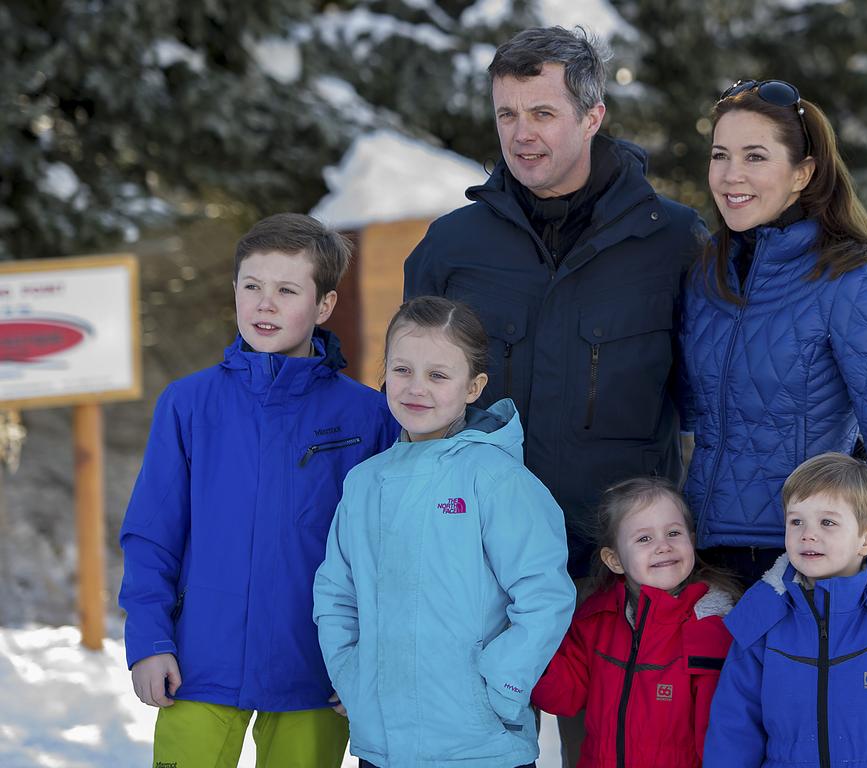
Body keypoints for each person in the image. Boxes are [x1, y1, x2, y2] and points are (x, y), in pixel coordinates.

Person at [404, 26, 705, 583]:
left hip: (618, 565)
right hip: (480, 558)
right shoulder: (451, 247)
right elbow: (409, 401)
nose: (521, 134)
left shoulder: (672, 241)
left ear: (592, 117)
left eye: (542, 113)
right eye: (506, 115)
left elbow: (712, 408)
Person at [679, 78, 867, 675]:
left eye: (755, 157)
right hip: (703, 565)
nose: (730, 176)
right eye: (720, 156)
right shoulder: (706, 273)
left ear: (803, 173)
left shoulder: (848, 279)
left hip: (803, 563)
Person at [118, 213, 399, 767]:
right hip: (198, 663)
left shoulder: (367, 416)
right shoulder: (188, 404)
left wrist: (365, 657)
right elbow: (152, 535)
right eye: (252, 286)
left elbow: (386, 552)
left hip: (314, 671)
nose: (264, 304)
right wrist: (150, 641)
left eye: (286, 290)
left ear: (323, 307)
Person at [312, 296, 576, 768]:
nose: (417, 388)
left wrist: (501, 686)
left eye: (438, 375)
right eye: (402, 370)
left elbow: (545, 595)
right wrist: (353, 677)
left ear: (473, 387)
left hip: (480, 745)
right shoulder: (365, 482)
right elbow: (336, 593)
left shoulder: (496, 479)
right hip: (384, 746)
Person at [705, 453, 867, 768]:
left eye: (827, 522)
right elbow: (734, 726)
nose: (808, 533)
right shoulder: (763, 616)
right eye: (796, 521)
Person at [531, 477, 736, 767]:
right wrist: (533, 630)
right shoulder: (596, 620)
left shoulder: (709, 629)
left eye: (674, 533)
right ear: (614, 560)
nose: (663, 546)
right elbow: (561, 696)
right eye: (644, 538)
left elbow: (719, 738)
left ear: (691, 540)